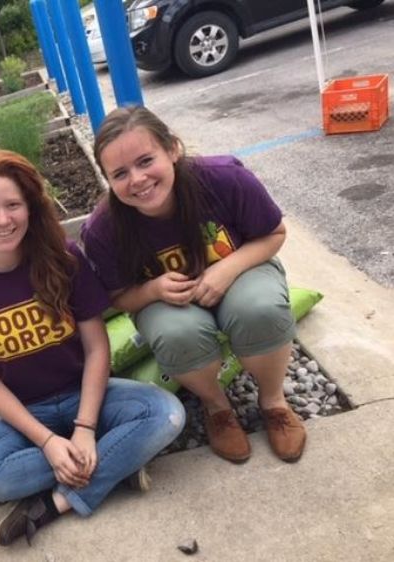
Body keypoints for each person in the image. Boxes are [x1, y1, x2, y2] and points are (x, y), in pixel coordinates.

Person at [0, 149, 185, 546]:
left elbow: (96, 348)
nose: (2, 220)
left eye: (13, 205)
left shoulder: (63, 258)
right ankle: (117, 467)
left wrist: (85, 429)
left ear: (30, 208)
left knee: (166, 414)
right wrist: (49, 442)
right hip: (25, 413)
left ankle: (57, 503)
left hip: (87, 396)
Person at [81, 106, 306, 464]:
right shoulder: (104, 229)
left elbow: (273, 234)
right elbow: (118, 297)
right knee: (175, 333)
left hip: (243, 272)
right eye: (120, 173)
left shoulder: (223, 179)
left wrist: (227, 268)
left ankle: (273, 401)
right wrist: (153, 290)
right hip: (170, 304)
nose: (137, 179)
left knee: (259, 308)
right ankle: (216, 407)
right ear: (107, 178)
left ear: (172, 149)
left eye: (145, 160)